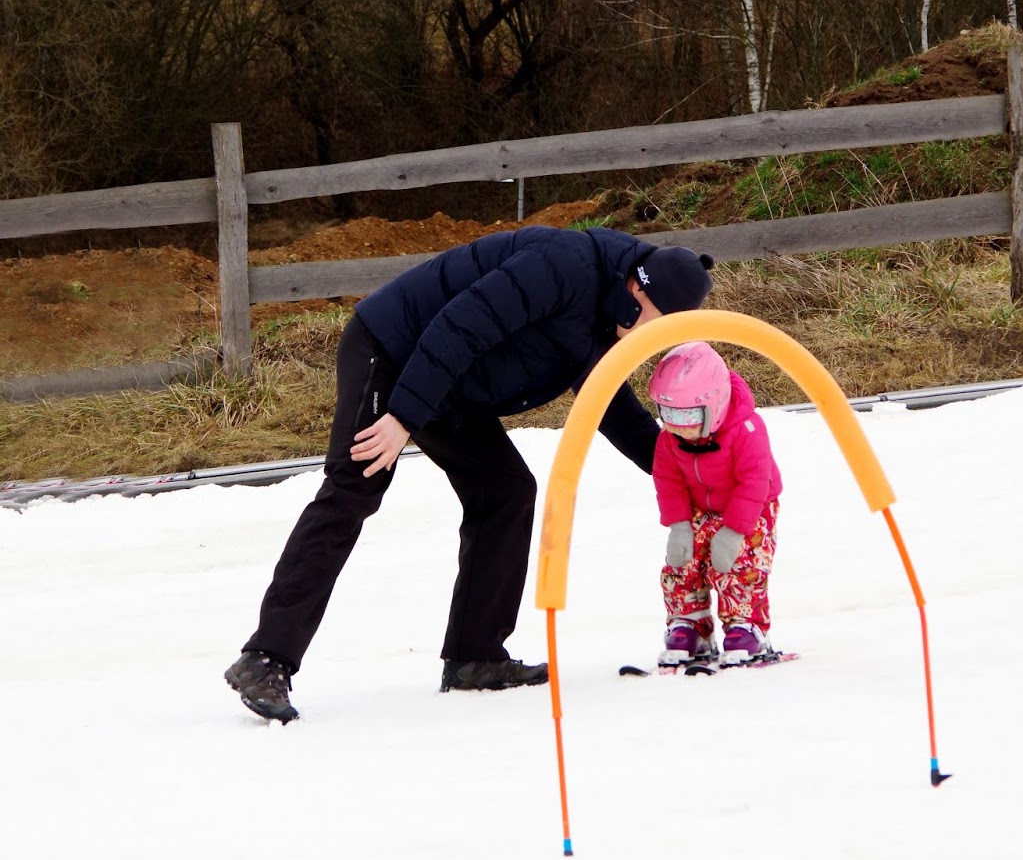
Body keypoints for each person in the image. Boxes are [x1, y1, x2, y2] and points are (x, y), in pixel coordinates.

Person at [225, 225, 714, 722]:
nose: (650, 342)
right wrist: (403, 417)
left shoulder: (609, 315)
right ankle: (266, 657)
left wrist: (685, 475)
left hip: (451, 381)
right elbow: (463, 324)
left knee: (505, 491)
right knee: (354, 487)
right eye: (655, 326)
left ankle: (475, 656)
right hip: (393, 349)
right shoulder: (563, 265)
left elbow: (610, 403)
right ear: (637, 289)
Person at [648, 340, 782, 668]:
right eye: (668, 414)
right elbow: (668, 481)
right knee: (682, 562)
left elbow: (754, 482)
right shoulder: (671, 437)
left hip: (750, 507)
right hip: (697, 509)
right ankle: (689, 624)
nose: (677, 425)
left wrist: (734, 532)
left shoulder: (747, 430)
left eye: (688, 415)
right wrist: (679, 527)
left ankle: (745, 626)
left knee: (740, 562)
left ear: (715, 405)